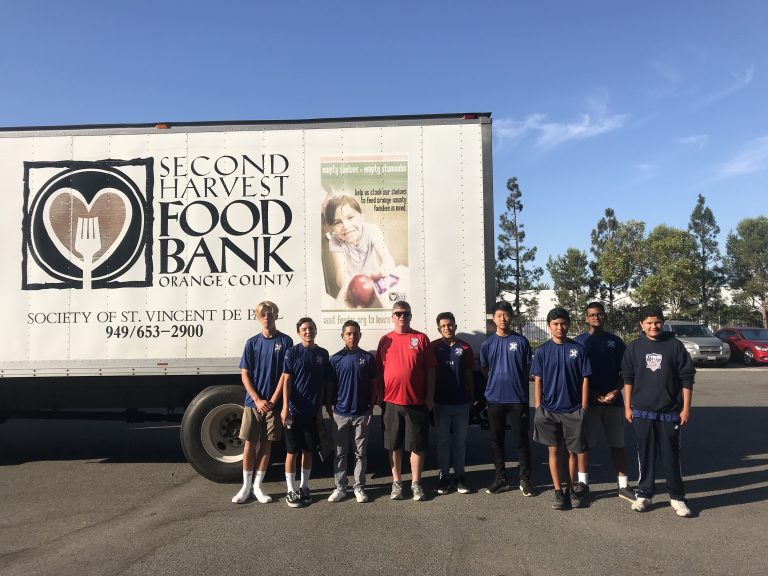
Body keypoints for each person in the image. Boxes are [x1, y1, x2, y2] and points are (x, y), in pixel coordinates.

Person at [622, 305, 695, 517]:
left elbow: (687, 378)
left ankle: (677, 497)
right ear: (641, 325)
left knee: (671, 454)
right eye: (649, 323)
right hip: (642, 412)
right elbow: (628, 378)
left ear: (663, 322)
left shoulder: (675, 346)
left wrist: (686, 408)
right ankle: (644, 493)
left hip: (669, 412)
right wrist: (627, 406)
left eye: (657, 322)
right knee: (645, 454)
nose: (654, 326)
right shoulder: (634, 347)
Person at [232, 301, 293, 504]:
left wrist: (274, 400)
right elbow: (245, 375)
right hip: (253, 403)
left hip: (273, 405)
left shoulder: (286, 341)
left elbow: (285, 375)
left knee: (267, 444)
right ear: (258, 318)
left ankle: (258, 486)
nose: (267, 317)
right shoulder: (252, 343)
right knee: (250, 443)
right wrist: (257, 399)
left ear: (276, 315)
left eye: (271, 313)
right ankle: (246, 486)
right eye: (263, 314)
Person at [573, 302, 634, 501]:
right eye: (592, 315)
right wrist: (591, 394)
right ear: (585, 318)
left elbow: (625, 372)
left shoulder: (615, 342)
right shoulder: (578, 342)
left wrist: (616, 391)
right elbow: (575, 375)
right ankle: (583, 483)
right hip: (588, 402)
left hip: (613, 402)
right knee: (584, 445)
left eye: (599, 314)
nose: (596, 318)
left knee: (618, 444)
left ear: (604, 316)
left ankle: (623, 485)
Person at [531, 307, 591, 510]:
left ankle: (570, 488)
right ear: (549, 326)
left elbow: (585, 379)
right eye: (555, 324)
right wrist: (538, 406)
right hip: (548, 410)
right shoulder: (542, 350)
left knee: (572, 452)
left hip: (573, 410)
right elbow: (537, 379)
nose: (560, 327)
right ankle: (558, 491)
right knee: (554, 451)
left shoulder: (578, 349)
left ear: (568, 325)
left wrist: (583, 406)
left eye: (563, 323)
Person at [376, 301, 436, 501]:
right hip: (391, 403)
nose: (402, 317)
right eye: (398, 313)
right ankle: (397, 483)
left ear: (411, 316)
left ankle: (416, 484)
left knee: (417, 446)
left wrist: (429, 399)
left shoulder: (421, 338)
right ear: (392, 317)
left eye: (406, 313)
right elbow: (378, 371)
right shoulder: (385, 340)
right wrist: (379, 396)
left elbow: (430, 370)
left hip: (417, 403)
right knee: (394, 446)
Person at [479, 301, 534, 496]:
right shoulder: (487, 343)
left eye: (506, 315)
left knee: (521, 440)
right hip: (495, 399)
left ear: (512, 317)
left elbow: (527, 369)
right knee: (497, 440)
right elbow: (485, 369)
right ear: (493, 319)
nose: (503, 319)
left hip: (517, 399)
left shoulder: (521, 342)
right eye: (499, 315)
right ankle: (500, 479)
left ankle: (525, 479)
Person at [280, 317, 334, 508]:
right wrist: (285, 407)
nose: (307, 332)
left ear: (315, 331)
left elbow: (323, 384)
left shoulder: (322, 354)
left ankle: (304, 487)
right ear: (298, 332)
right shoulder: (292, 352)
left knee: (308, 450)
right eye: (304, 329)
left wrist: (320, 408)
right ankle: (290, 490)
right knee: (291, 451)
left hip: (311, 412)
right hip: (293, 412)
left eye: (311, 328)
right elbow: (286, 380)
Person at [327, 320, 378, 503]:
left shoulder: (368, 358)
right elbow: (330, 387)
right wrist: (329, 408)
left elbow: (374, 385)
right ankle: (340, 487)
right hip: (340, 413)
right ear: (343, 336)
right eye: (348, 334)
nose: (352, 337)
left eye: (355, 333)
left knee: (360, 453)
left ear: (360, 336)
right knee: (340, 453)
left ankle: (359, 487)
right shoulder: (335, 359)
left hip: (361, 413)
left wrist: (371, 407)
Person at [429, 312, 475, 495]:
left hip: (461, 402)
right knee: (442, 442)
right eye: (443, 326)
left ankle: (460, 476)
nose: (447, 328)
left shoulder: (464, 347)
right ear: (439, 328)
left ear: (455, 326)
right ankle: (443, 476)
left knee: (460, 442)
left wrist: (472, 397)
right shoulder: (433, 347)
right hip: (440, 403)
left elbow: (469, 374)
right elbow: (429, 374)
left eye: (450, 325)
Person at [323, 194, 396, 292]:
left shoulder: (371, 230)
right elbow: (340, 278)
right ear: (332, 228)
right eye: (337, 222)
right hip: (354, 288)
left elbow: (388, 261)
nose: (346, 226)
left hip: (378, 281)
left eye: (350, 217)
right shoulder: (335, 241)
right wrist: (355, 284)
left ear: (362, 217)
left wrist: (383, 272)